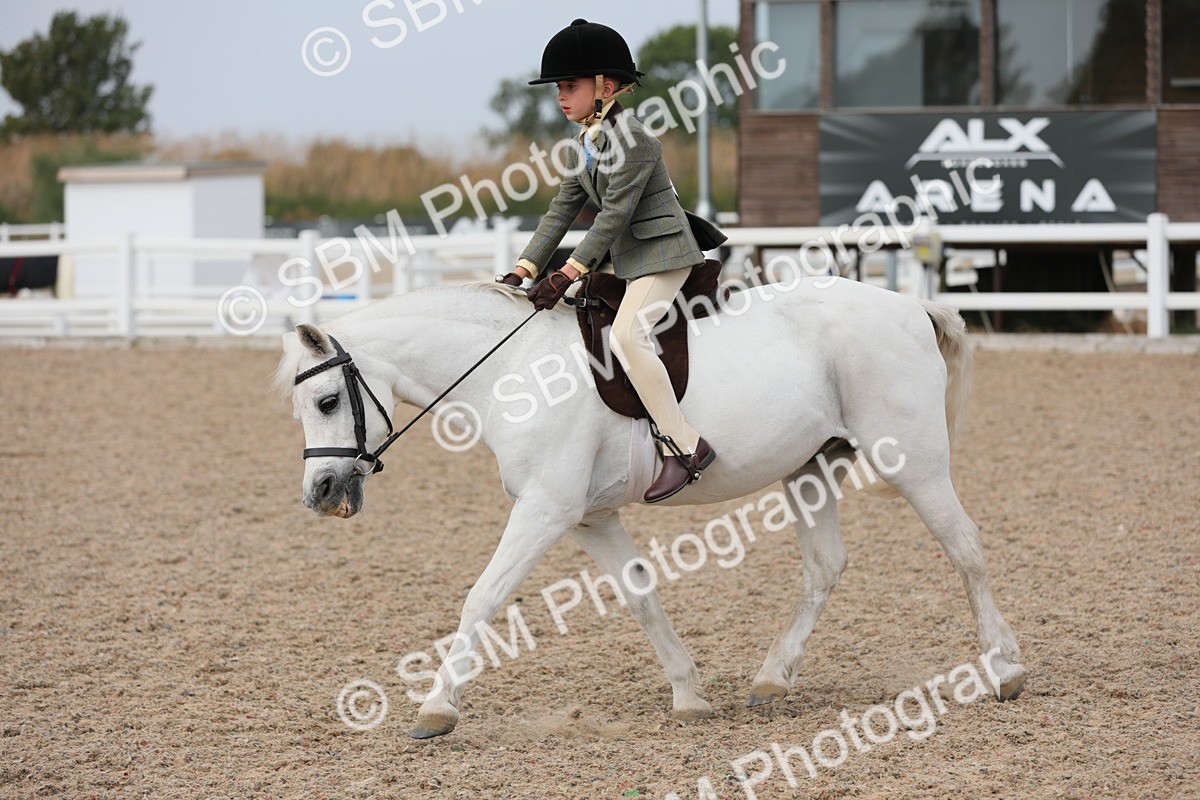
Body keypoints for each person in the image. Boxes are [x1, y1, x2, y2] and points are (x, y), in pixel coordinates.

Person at [495, 18, 726, 503]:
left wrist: (569, 271)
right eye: (558, 87)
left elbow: (614, 215)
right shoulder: (585, 141)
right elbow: (563, 207)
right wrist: (526, 267)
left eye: (570, 86)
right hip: (630, 257)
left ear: (606, 86)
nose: (561, 96)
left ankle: (685, 446)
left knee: (626, 336)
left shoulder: (636, 140)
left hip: (663, 253)